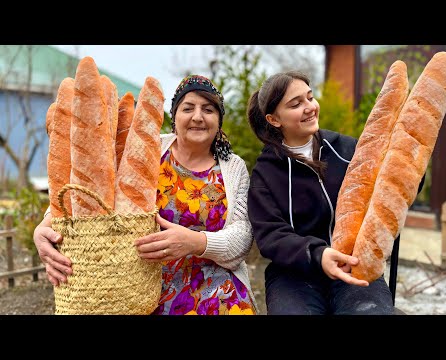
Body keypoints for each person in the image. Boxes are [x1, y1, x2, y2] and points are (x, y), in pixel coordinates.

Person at [34, 74, 257, 315]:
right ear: (174, 116)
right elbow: (92, 193)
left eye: (209, 109)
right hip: (138, 287)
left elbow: (243, 237)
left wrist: (196, 242)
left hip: (216, 288)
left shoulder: (233, 168)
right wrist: (45, 224)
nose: (197, 117)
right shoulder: (146, 150)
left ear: (219, 119)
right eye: (188, 108)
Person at [246, 70, 398, 315]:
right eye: (296, 104)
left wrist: (406, 167)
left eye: (310, 97)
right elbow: (271, 235)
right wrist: (318, 254)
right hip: (294, 275)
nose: (309, 107)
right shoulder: (265, 173)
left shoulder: (346, 148)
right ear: (274, 119)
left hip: (354, 263)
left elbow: (388, 188)